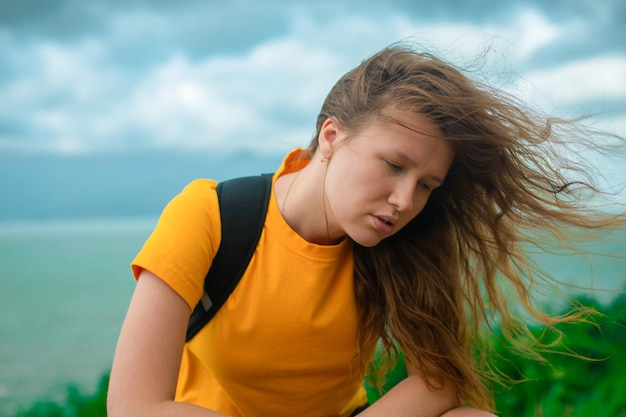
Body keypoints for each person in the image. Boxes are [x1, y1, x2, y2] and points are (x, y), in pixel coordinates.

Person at [107, 43, 625, 417]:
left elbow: (441, 378)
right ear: (331, 135)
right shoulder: (211, 214)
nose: (405, 201)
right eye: (393, 165)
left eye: (427, 184)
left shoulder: (397, 241)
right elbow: (134, 407)